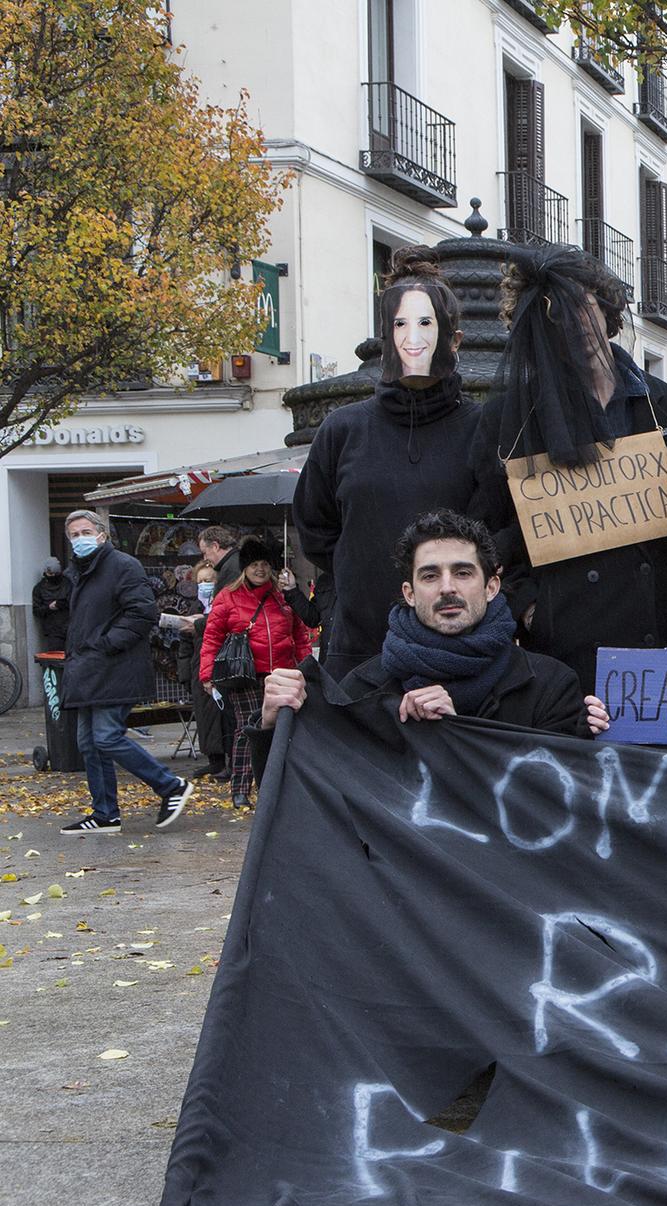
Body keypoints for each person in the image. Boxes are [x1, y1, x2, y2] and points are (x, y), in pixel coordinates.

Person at [472, 244, 667, 690]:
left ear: (605, 304)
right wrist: (528, 608)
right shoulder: (509, 422)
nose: (577, 325)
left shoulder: (661, 403)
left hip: (662, 640)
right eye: (557, 316)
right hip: (569, 653)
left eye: (584, 306)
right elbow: (485, 531)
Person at [258, 511, 609, 759]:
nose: (447, 588)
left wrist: (592, 739)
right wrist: (274, 728)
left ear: (491, 586)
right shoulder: (363, 690)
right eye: (429, 576)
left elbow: (556, 808)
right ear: (409, 593)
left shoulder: (550, 687)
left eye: (462, 573)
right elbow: (313, 803)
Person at [296, 246, 484, 682]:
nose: (412, 340)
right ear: (386, 338)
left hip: (457, 656)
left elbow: (500, 536)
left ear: (453, 340)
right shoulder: (342, 430)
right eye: (400, 324)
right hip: (359, 650)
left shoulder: (482, 431)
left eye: (425, 324)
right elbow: (316, 531)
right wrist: (352, 587)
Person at [54, 510, 194, 834]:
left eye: (85, 532)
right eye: (74, 535)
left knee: (106, 737)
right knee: (88, 742)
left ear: (102, 535)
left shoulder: (122, 566)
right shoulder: (78, 572)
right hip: (89, 668)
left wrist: (105, 645)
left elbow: (142, 613)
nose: (80, 539)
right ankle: (105, 814)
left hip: (114, 667)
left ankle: (170, 785)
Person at [198, 536, 312, 807]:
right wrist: (206, 674)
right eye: (253, 564)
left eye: (264, 564)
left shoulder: (283, 597)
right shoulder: (228, 597)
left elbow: (301, 634)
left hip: (282, 673)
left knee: (283, 730)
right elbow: (211, 637)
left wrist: (307, 667)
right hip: (246, 675)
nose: (259, 569)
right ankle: (240, 789)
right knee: (247, 729)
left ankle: (277, 787)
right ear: (244, 568)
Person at [185, 561, 228, 779]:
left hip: (220, 665)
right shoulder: (195, 607)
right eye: (200, 581)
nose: (204, 585)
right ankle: (214, 760)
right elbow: (185, 645)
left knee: (223, 714)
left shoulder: (222, 604)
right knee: (205, 715)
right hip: (199, 666)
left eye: (208, 581)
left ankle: (227, 760)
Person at [30, 557, 68, 651]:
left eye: (56, 574)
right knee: (55, 661)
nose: (53, 576)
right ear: (45, 573)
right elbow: (37, 611)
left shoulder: (68, 584)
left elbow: (76, 602)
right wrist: (49, 607)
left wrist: (63, 604)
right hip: (53, 631)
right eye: (50, 574)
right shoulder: (39, 588)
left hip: (72, 628)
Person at [197, 526, 241, 593]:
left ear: (215, 546)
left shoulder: (231, 570)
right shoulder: (238, 559)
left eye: (205, 553)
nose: (205, 558)